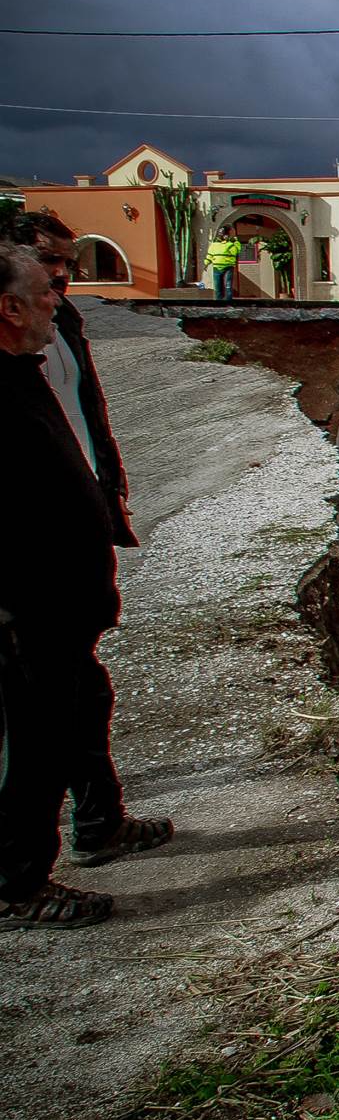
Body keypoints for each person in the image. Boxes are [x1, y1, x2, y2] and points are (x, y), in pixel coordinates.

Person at [10, 211, 172, 867]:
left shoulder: (59, 327)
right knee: (38, 722)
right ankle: (20, 873)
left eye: (69, 267)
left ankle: (100, 820)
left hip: (75, 546)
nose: (63, 281)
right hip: (30, 570)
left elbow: (82, 416)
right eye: (51, 265)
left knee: (82, 693)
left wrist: (106, 486)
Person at [0, 244, 137, 929]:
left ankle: (99, 824)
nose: (59, 298)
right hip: (28, 612)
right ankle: (16, 882)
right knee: (33, 746)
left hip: (62, 605)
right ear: (10, 306)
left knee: (80, 711)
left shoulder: (23, 373)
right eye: (45, 290)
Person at [207, 225, 241, 301]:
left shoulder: (233, 242)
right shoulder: (215, 243)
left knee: (227, 285)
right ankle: (219, 303)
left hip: (228, 266)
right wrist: (207, 262)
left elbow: (236, 251)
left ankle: (228, 302)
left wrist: (233, 242)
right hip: (217, 266)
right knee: (218, 286)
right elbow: (210, 253)